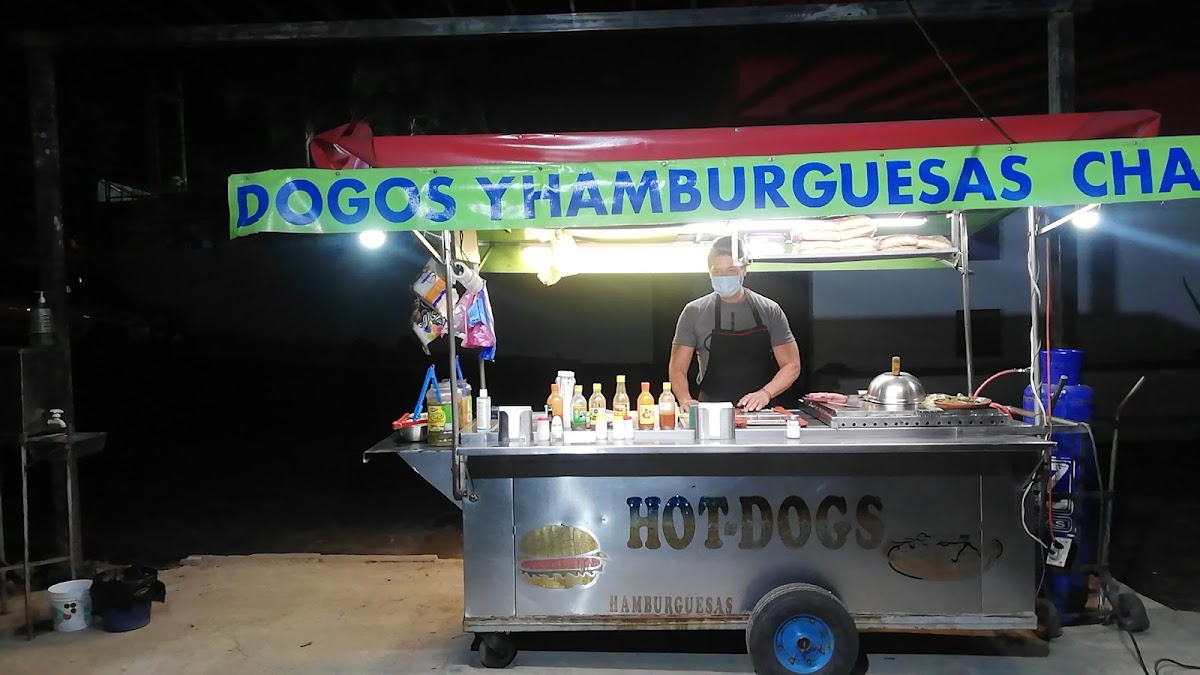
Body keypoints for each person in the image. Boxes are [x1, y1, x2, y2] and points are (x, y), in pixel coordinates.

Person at [669, 236, 801, 412]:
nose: (724, 277)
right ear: (709, 272)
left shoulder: (769, 310)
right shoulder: (694, 312)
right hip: (711, 411)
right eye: (717, 272)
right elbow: (677, 367)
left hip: (760, 410)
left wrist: (765, 393)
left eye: (731, 270)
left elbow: (792, 364)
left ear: (743, 270)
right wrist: (685, 399)